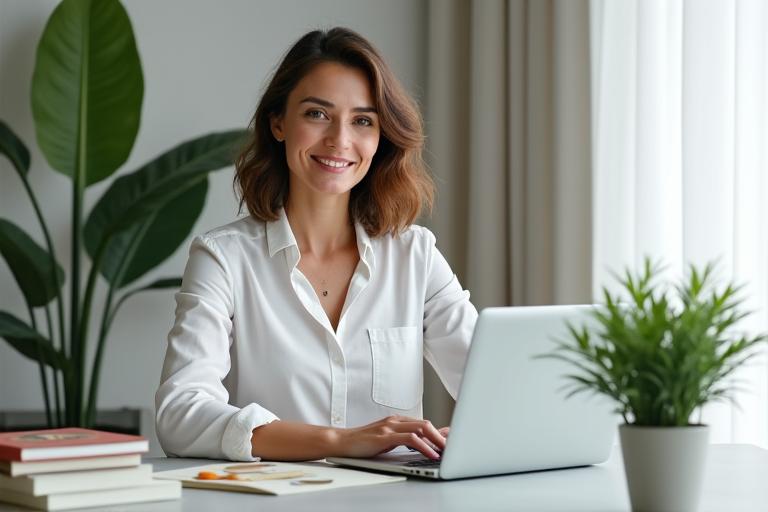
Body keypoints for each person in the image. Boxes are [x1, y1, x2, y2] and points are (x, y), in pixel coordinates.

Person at [155, 27, 478, 462]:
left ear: (382, 137)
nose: (339, 140)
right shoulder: (223, 259)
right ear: (278, 123)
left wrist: (474, 438)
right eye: (317, 114)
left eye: (363, 120)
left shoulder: (415, 256)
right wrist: (340, 441)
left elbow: (496, 389)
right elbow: (181, 415)